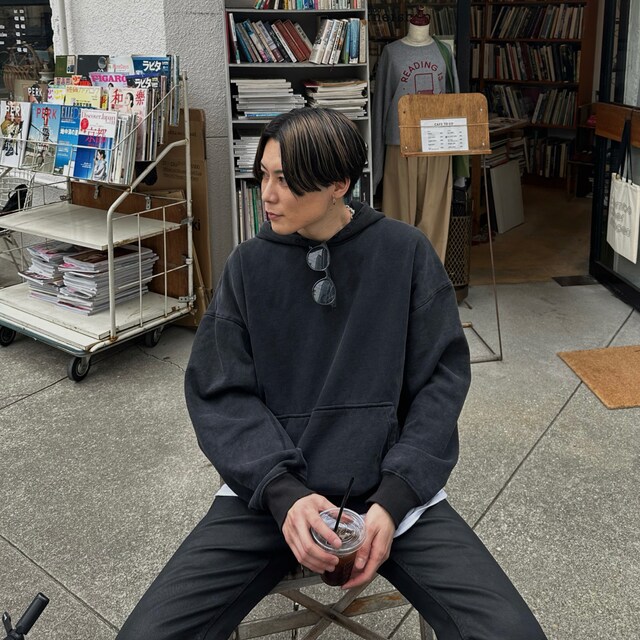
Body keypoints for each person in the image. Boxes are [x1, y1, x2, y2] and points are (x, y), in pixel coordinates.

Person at [116, 107, 547, 640]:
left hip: (391, 493)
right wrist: (283, 493)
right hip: (271, 493)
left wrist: (393, 501)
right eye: (263, 175)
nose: (266, 195)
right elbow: (220, 392)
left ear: (338, 184)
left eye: (284, 180)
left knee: (510, 632)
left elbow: (441, 384)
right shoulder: (248, 266)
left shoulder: (405, 252)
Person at [372, 9, 463, 261]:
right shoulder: (391, 52)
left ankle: (429, 278)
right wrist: (377, 166)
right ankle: (398, 275)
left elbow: (454, 100)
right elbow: (381, 105)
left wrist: (459, 164)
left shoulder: (444, 51)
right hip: (400, 143)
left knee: (434, 220)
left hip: (437, 144)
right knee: (398, 219)